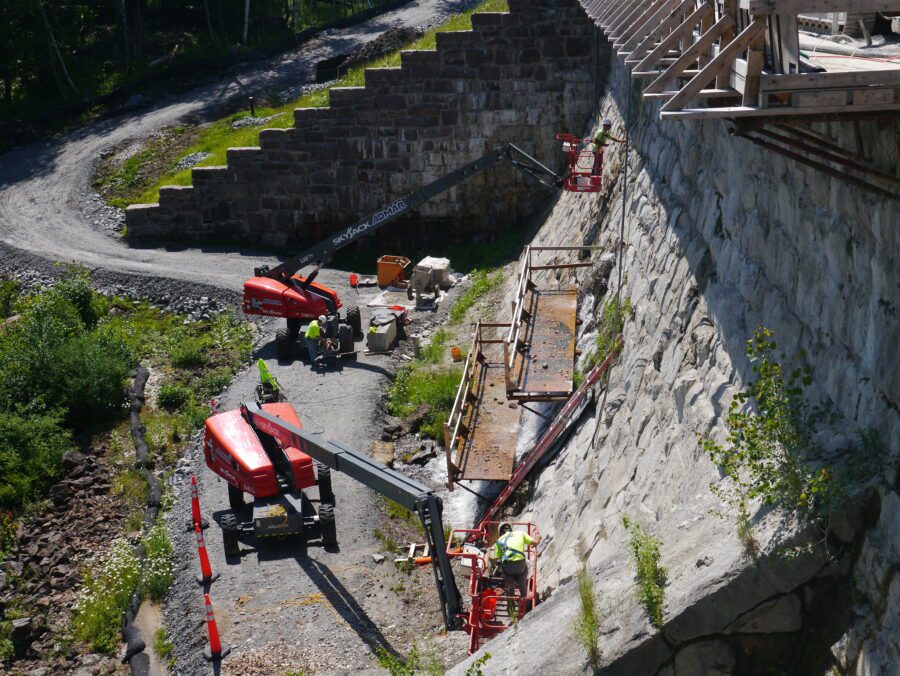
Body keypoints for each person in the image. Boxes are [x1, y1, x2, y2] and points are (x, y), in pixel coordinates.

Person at [492, 522, 542, 613]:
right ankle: (524, 605)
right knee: (522, 583)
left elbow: (496, 559)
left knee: (509, 585)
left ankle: (510, 608)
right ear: (511, 529)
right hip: (520, 565)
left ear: (500, 532)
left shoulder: (499, 541)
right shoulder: (520, 533)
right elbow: (535, 542)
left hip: (508, 566)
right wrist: (538, 536)